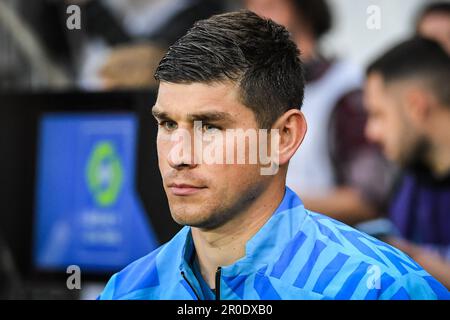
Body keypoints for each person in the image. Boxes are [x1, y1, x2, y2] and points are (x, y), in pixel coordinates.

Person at [99, 11, 448, 300]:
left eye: (210, 127)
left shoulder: (381, 289)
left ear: (283, 137)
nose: (178, 156)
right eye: (167, 124)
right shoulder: (125, 291)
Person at [245, 0, 391, 225]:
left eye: (269, 6)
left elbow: (367, 199)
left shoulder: (345, 89)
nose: (256, 17)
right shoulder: (248, 87)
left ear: (304, 9)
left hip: (328, 246)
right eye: (250, 7)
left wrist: (259, 201)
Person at [364, 37, 450, 289]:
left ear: (416, 106)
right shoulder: (406, 181)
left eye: (378, 114)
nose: (371, 132)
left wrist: (408, 259)